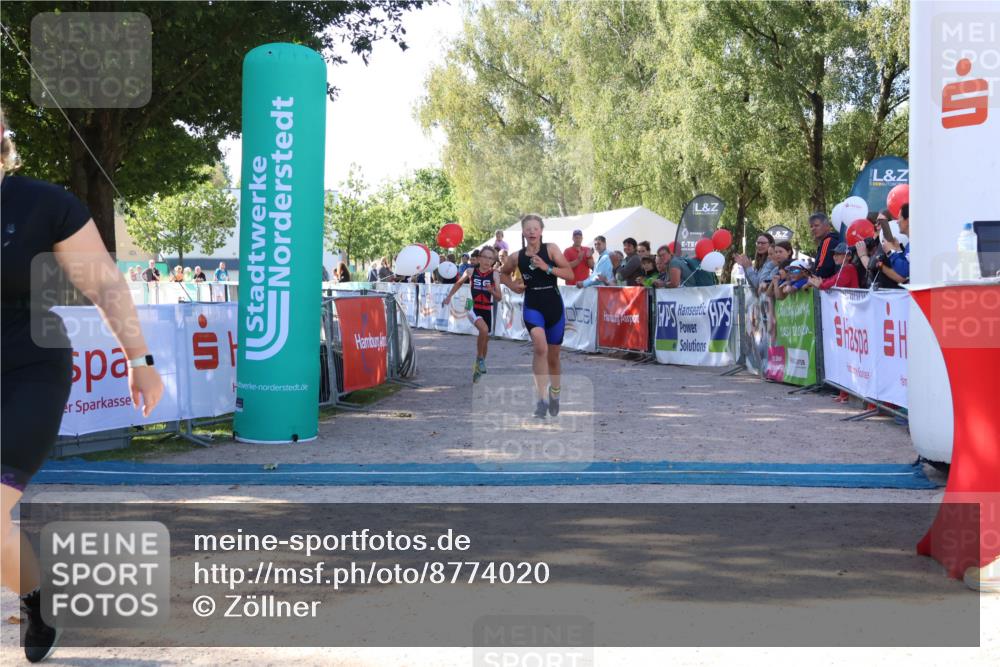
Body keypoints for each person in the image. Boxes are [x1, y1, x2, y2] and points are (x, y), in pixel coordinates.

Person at [1, 110, 164, 662]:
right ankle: (35, 600)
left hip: (30, 369)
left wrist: (139, 359)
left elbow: (105, 284)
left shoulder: (43, 204)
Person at [499, 214, 574, 418]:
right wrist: (513, 286)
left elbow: (570, 274)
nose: (532, 231)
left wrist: (546, 267)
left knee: (554, 356)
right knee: (540, 348)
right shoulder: (516, 256)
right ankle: (540, 399)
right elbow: (502, 274)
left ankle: (555, 393)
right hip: (533, 305)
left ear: (541, 231)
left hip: (553, 305)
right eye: (528, 228)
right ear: (523, 232)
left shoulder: (551, 249)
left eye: (535, 228)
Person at [443, 246, 502, 383]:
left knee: (485, 338)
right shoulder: (470, 271)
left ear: (493, 260)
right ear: (479, 258)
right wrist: (449, 296)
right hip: (472, 306)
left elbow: (499, 297)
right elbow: (458, 283)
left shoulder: (495, 274)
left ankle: (478, 365)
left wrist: (491, 291)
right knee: (484, 330)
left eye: (491, 258)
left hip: (487, 308)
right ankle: (480, 359)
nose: (487, 261)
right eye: (485, 257)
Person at [809, 212, 841, 279]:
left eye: (816, 225)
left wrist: (812, 277)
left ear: (827, 227)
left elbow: (823, 269)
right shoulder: (832, 240)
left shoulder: (828, 241)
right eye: (811, 226)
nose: (813, 229)